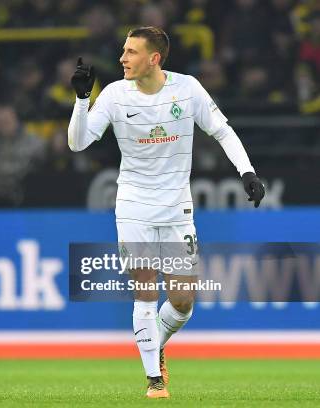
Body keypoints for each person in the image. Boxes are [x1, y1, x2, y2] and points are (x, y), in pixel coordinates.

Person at [67, 26, 265, 398]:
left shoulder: (186, 89)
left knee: (182, 302)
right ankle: (153, 380)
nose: (122, 58)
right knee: (144, 290)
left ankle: (156, 343)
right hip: (133, 205)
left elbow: (222, 131)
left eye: (131, 52)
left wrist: (247, 171)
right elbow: (77, 143)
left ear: (154, 58)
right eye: (123, 51)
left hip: (176, 208)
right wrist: (81, 100)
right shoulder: (113, 94)